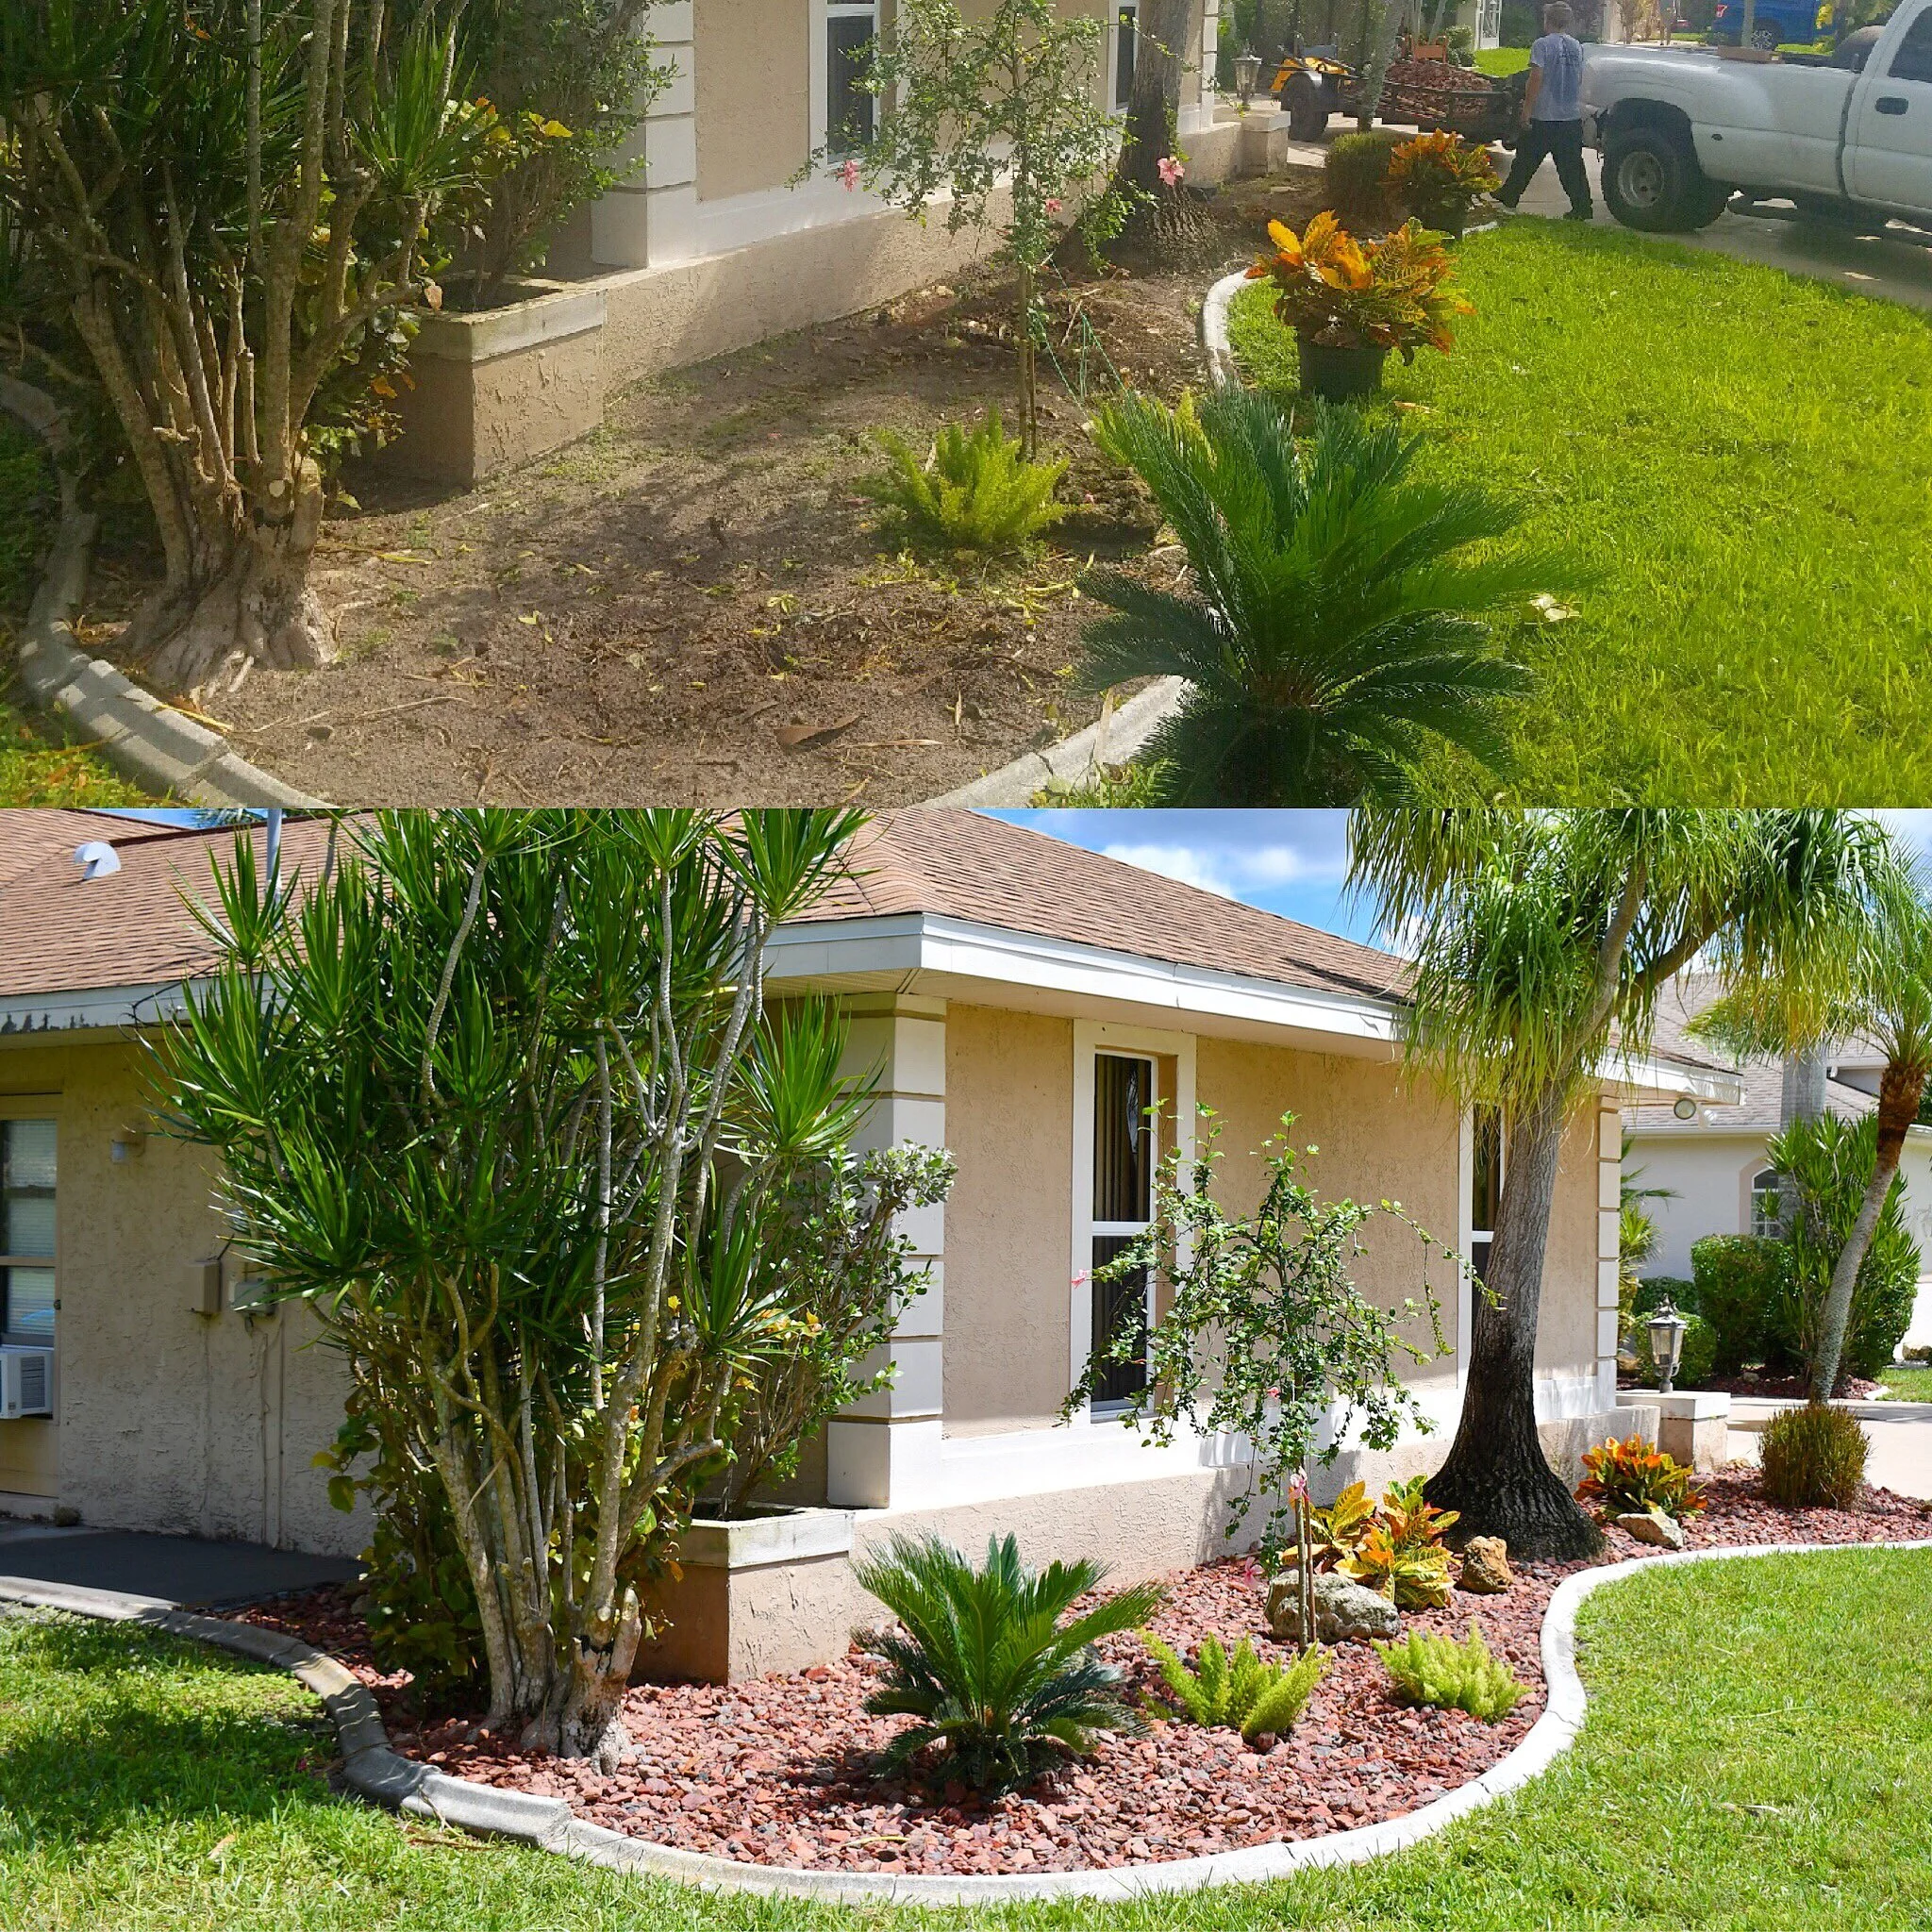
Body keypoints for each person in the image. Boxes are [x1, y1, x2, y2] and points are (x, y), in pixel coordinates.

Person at [1494, 3, 1593, 221]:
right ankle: (1582, 206)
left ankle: (1510, 195)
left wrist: (1526, 111)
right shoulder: (1576, 46)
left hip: (1544, 114)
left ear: (1547, 20)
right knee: (1572, 166)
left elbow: (1536, 78)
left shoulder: (1542, 45)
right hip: (1570, 115)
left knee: (1526, 158)